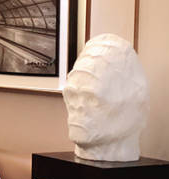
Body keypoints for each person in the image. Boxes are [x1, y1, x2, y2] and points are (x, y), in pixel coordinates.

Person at [62, 33, 149, 161]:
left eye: (91, 99)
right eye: (72, 96)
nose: (78, 107)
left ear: (134, 100)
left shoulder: (136, 97)